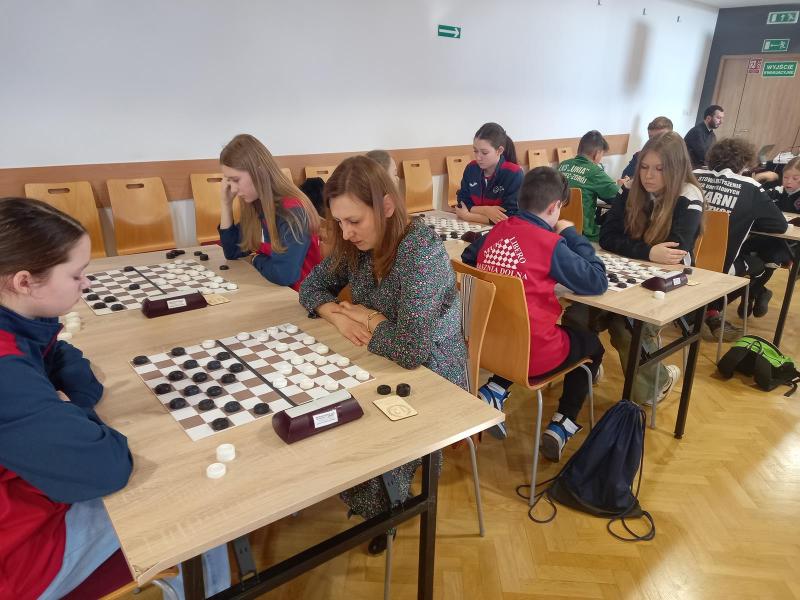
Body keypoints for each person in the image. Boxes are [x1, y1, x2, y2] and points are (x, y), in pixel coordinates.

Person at [0, 198, 230, 599]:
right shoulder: (6, 373)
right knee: (199, 499)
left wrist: (70, 406)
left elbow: (64, 357)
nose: (87, 284)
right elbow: (106, 467)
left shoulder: (21, 319)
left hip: (32, 491)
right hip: (20, 551)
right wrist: (72, 414)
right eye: (76, 274)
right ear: (24, 282)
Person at [299, 156, 467, 553]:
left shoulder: (421, 253)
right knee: (323, 401)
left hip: (435, 371)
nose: (346, 232)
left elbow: (412, 349)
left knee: (364, 427)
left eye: (354, 220)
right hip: (380, 358)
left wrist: (369, 317)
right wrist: (337, 315)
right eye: (339, 222)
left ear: (387, 206)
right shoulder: (357, 246)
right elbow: (311, 287)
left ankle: (387, 510)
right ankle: (353, 488)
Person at [461, 168, 607, 458]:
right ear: (555, 207)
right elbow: (597, 280)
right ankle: (563, 423)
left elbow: (468, 257)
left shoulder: (498, 230)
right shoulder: (551, 244)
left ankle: (495, 391)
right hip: (533, 356)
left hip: (488, 345)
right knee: (592, 345)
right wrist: (570, 233)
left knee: (521, 326)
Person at [569, 132, 704, 406]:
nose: (648, 176)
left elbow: (675, 252)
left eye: (659, 169)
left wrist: (636, 248)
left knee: (625, 326)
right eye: (644, 167)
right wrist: (648, 251)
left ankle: (660, 381)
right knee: (577, 316)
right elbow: (608, 237)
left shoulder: (689, 195)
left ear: (676, 169)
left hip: (667, 282)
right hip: (628, 272)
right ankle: (590, 362)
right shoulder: (631, 189)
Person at [694, 138, 790, 327]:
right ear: (745, 163)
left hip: (681, 259)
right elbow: (780, 226)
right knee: (759, 264)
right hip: (719, 266)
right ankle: (715, 308)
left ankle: (707, 310)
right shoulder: (750, 187)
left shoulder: (693, 175)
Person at [219, 134, 321, 290]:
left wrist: (255, 259)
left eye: (236, 180)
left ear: (259, 172)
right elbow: (232, 251)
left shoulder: (292, 211)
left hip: (300, 296)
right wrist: (225, 204)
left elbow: (284, 274)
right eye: (229, 181)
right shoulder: (257, 204)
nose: (232, 189)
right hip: (274, 288)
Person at [558, 130, 623, 242]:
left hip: (558, 228)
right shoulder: (595, 172)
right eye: (602, 155)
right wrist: (621, 187)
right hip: (584, 233)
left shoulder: (562, 165)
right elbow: (619, 197)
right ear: (597, 153)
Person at [454, 122, 523, 225]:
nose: (478, 157)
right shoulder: (471, 168)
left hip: (501, 230)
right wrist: (486, 210)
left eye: (484, 153)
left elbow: (508, 217)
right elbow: (462, 202)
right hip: (473, 225)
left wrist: (468, 216)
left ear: (499, 151)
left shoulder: (514, 173)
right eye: (475, 151)